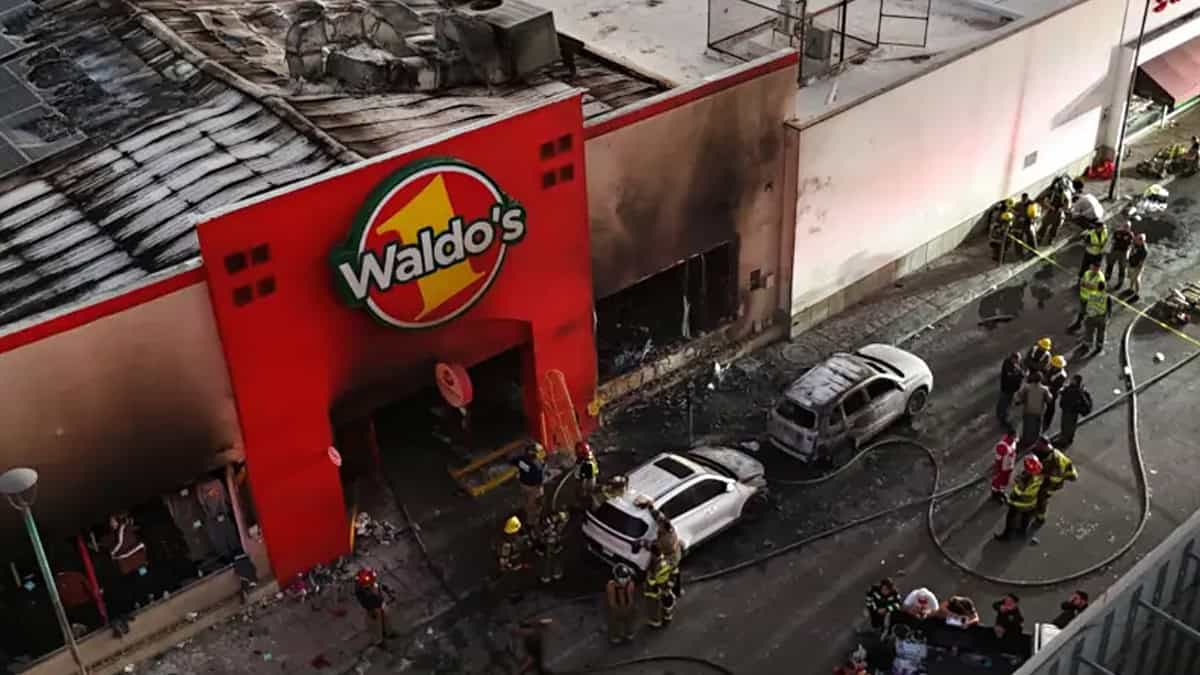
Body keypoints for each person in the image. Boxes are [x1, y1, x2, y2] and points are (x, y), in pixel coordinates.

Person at [104, 512, 149, 637]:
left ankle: (143, 601)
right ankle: (143, 600)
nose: (111, 524)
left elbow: (120, 543)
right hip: (134, 564)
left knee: (136, 582)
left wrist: (113, 553)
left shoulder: (122, 530)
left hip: (133, 564)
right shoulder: (123, 530)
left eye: (112, 521)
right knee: (137, 581)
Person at [995, 455, 1043, 541]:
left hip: (1019, 504)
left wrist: (1010, 500)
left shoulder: (1025, 479)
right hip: (1032, 502)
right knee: (1026, 518)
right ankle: (1022, 532)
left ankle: (1006, 536)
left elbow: (1017, 492)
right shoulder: (1040, 473)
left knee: (1011, 519)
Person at [1033, 439, 1078, 526]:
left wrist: (1043, 479)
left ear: (1045, 446)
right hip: (1050, 478)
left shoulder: (1055, 461)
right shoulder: (1049, 452)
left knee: (1042, 498)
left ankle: (1040, 517)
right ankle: (1036, 508)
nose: (1037, 447)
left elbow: (1055, 478)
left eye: (1039, 445)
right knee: (1038, 493)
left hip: (1053, 484)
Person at [354, 568, 391, 647]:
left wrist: (387, 590)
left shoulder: (372, 582)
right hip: (373, 608)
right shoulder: (360, 591)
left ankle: (387, 632)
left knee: (386, 618)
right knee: (375, 625)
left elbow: (378, 586)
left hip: (380, 603)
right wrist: (371, 611)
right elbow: (365, 602)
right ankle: (378, 641)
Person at [495, 516, 528, 602]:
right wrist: (511, 566)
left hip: (516, 565)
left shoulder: (513, 540)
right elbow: (504, 560)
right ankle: (513, 596)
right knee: (513, 583)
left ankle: (516, 593)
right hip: (512, 569)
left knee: (517, 581)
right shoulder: (506, 545)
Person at [1015, 371, 1051, 448]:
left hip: (1028, 410)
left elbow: (1019, 395)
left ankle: (1025, 441)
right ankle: (1035, 442)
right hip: (1039, 411)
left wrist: (1018, 401)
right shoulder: (1044, 389)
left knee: (1027, 427)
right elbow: (1049, 399)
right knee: (1037, 427)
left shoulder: (1027, 387)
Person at [1069, 260, 1106, 334]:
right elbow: (1082, 282)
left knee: (1090, 314)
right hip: (1083, 296)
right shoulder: (1087, 273)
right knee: (1082, 310)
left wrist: (1087, 285)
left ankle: (1089, 329)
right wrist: (1086, 285)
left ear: (1098, 269)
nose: (1094, 269)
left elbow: (1098, 289)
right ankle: (1079, 323)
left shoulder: (1100, 278)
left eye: (1096, 268)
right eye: (1093, 267)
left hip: (1092, 299)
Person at [644, 546, 676, 628]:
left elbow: (651, 579)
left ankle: (656, 621)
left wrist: (655, 589)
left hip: (658, 586)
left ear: (653, 554)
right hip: (667, 583)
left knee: (655, 605)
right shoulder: (667, 559)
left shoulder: (654, 564)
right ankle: (668, 616)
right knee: (667, 600)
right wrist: (671, 582)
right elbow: (674, 570)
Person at [1056, 375, 1092, 448]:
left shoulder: (1076, 391)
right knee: (1069, 426)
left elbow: (1067, 395)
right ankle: (1067, 439)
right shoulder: (1079, 390)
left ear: (1075, 381)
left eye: (1072, 379)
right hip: (1071, 410)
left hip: (1070, 411)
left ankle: (1064, 441)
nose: (1070, 380)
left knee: (1067, 426)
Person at [514, 444, 547, 524]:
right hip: (534, 488)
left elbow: (518, 464)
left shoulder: (522, 462)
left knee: (527, 502)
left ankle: (528, 516)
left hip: (524, 485)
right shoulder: (537, 466)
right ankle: (532, 523)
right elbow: (540, 480)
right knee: (534, 506)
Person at [605, 564, 638, 644]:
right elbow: (611, 601)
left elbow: (631, 597)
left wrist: (629, 607)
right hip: (616, 607)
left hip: (628, 606)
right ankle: (616, 635)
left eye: (625, 578)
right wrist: (616, 609)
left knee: (629, 620)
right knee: (614, 622)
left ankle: (629, 633)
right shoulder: (611, 586)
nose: (623, 580)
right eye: (621, 578)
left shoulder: (630, 584)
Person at [1081, 281, 1114, 356]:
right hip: (1102, 317)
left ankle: (1088, 344)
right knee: (1101, 332)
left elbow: (1086, 305)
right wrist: (1108, 317)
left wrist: (1085, 315)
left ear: (1097, 287)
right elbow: (1109, 308)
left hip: (1091, 316)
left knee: (1089, 331)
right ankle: (1099, 345)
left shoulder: (1092, 294)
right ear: (1105, 288)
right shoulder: (1107, 297)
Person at [535, 510, 568, 584]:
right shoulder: (550, 524)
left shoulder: (545, 552)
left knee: (549, 559)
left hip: (549, 544)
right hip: (549, 543)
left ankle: (548, 576)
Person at [997, 352, 1024, 429]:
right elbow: (1011, 377)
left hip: (1012, 389)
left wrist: (1020, 373)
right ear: (1013, 359)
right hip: (1007, 389)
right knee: (1004, 402)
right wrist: (1020, 376)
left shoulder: (1014, 364)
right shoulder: (1007, 365)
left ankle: (1003, 415)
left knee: (1008, 402)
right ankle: (1001, 417)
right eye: (1017, 360)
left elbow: (1019, 370)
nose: (1018, 362)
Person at [1106, 221, 1134, 290]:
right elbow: (1112, 240)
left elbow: (1130, 245)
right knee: (1110, 264)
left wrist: (1127, 255)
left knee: (1122, 268)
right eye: (1124, 226)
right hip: (1115, 250)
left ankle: (1120, 283)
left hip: (1123, 253)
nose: (1125, 228)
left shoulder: (1130, 235)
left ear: (1129, 228)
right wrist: (1109, 250)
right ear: (1122, 226)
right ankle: (1106, 278)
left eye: (1127, 227)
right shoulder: (1117, 232)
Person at [1043, 178, 1072, 244]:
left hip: (1059, 213)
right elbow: (1046, 200)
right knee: (1045, 223)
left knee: (1055, 226)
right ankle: (1040, 236)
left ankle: (1051, 239)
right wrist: (1050, 206)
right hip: (1051, 210)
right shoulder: (1052, 193)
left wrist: (1062, 209)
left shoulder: (1065, 195)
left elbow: (1068, 205)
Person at [1043, 355, 1068, 430]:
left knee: (1050, 407)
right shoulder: (1051, 369)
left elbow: (1056, 386)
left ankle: (1047, 421)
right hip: (1046, 388)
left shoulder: (1062, 376)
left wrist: (1047, 386)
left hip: (1052, 392)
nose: (1052, 366)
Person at [991, 432, 1017, 501]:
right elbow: (998, 459)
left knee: (1005, 481)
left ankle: (1001, 491)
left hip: (1009, 466)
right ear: (1010, 436)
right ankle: (995, 493)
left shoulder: (1014, 442)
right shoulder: (1002, 446)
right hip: (1003, 467)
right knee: (999, 480)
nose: (1014, 438)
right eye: (1013, 436)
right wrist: (998, 469)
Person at [574, 441, 599, 511]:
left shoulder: (587, 464)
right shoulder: (589, 457)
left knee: (585, 494)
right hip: (590, 478)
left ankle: (586, 507)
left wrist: (581, 486)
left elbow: (585, 479)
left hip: (587, 481)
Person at [1128, 233, 1148, 301]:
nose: (1138, 240)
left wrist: (1137, 268)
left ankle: (1137, 293)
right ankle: (1130, 288)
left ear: (1143, 241)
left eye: (1140, 239)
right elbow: (1131, 251)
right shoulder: (1135, 244)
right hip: (1132, 263)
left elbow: (1141, 262)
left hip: (1137, 266)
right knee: (1131, 277)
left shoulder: (1144, 250)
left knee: (1137, 279)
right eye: (1138, 239)